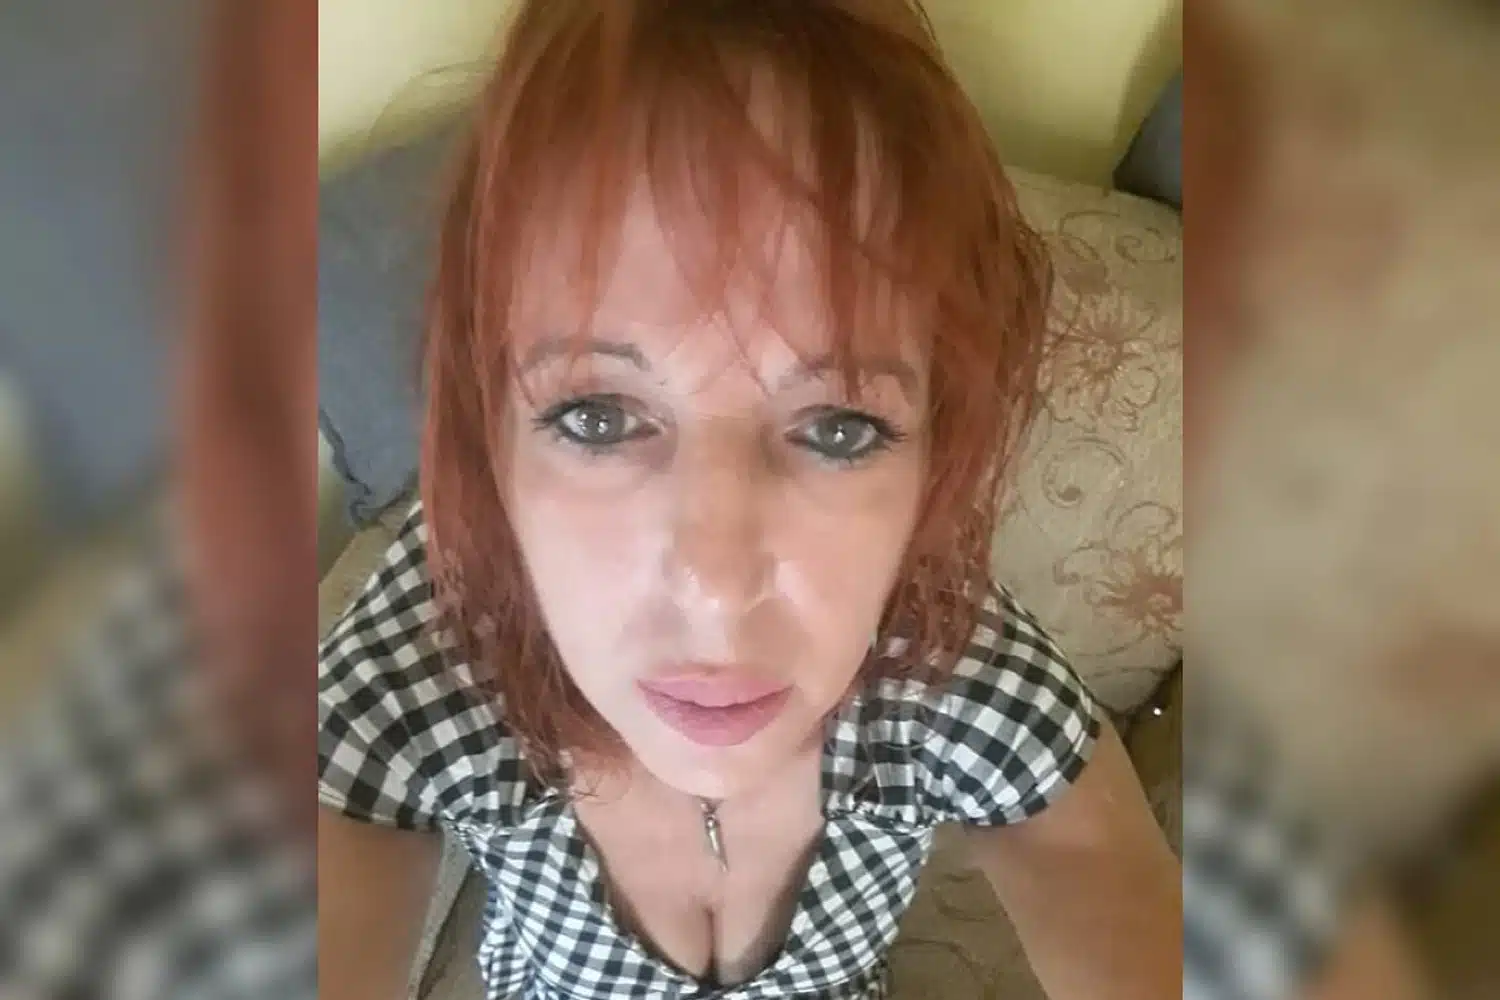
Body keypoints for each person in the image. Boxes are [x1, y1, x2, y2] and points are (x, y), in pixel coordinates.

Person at [317, 3, 1180, 999]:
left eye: (839, 428)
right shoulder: (438, 633)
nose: (717, 590)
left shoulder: (929, 630)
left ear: (934, 455)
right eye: (598, 416)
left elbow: (1093, 855)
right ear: (490, 431)